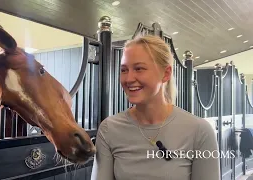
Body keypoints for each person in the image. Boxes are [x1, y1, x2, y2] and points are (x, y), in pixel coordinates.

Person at [90, 35, 220, 180]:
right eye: (124, 70)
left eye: (139, 69)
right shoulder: (109, 129)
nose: (128, 79)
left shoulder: (199, 131)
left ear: (166, 73)